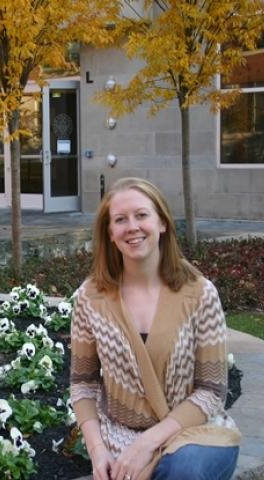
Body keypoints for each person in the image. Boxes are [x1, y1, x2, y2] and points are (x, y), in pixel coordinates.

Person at [70, 177, 240, 480]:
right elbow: (83, 383)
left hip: (195, 435)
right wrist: (98, 451)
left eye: (142, 215)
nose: (132, 226)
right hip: (119, 436)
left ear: (162, 223)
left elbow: (212, 390)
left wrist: (148, 443)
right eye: (120, 219)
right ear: (110, 233)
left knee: (182, 471)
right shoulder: (91, 298)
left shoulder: (199, 294)